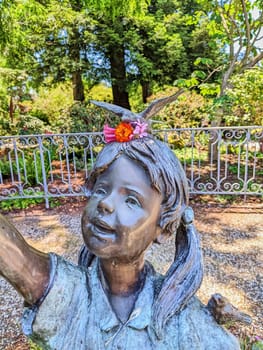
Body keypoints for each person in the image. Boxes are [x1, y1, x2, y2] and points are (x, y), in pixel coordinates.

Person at [0, 120, 240, 349]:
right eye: (101, 189)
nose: (105, 203)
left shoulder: (186, 321)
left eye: (132, 200)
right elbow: (15, 256)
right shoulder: (68, 294)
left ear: (164, 228)